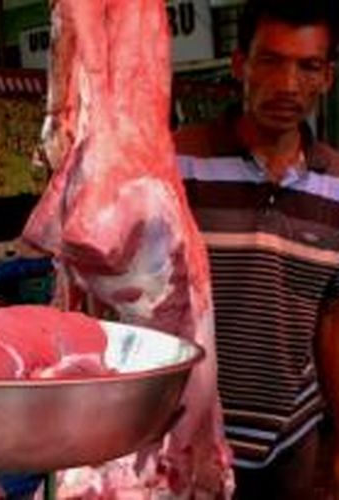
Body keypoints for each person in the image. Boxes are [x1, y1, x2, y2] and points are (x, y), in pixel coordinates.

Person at [174, 0, 339, 497]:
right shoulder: (178, 161)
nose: (288, 85)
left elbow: (331, 317)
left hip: (293, 436)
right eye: (270, 60)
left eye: (308, 66)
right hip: (186, 435)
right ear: (239, 65)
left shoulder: (336, 184)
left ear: (327, 77)